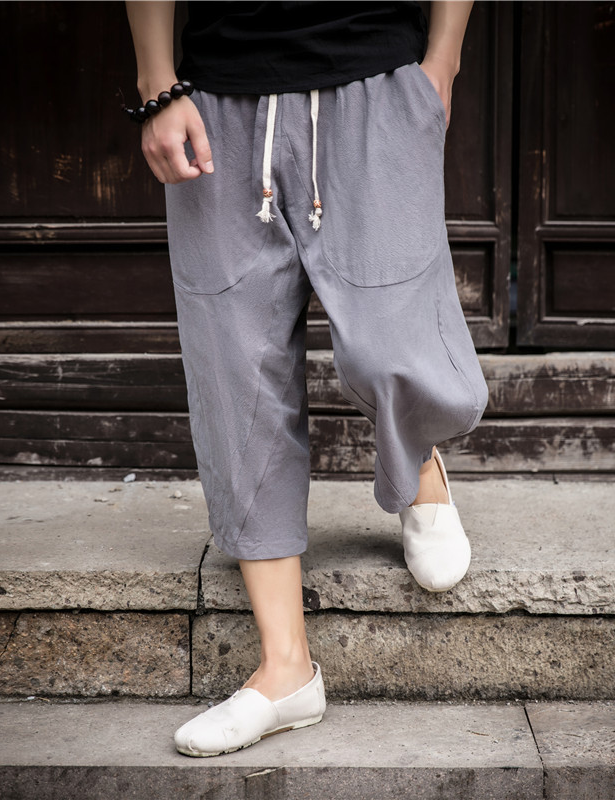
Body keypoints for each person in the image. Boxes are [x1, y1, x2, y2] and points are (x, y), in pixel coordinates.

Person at [125, 0, 486, 757]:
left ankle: (419, 466)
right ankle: (286, 669)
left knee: (392, 339)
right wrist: (157, 82)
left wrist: (443, 61)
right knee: (236, 372)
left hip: (375, 81)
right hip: (217, 99)